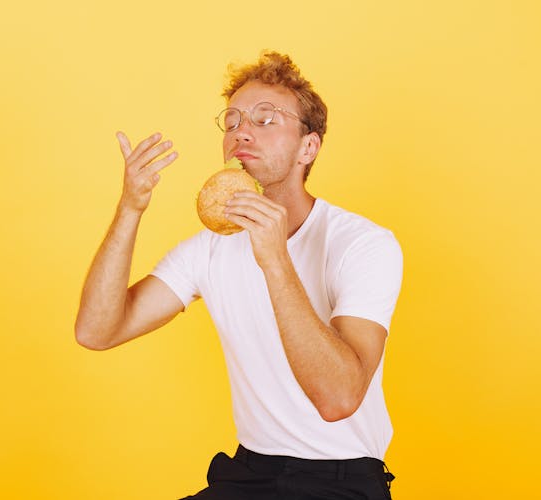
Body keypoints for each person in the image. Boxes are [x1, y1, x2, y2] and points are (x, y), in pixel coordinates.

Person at [74, 51, 403, 500]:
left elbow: (339, 399)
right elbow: (97, 330)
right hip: (249, 473)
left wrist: (275, 259)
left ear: (309, 147)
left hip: (341, 480)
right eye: (231, 122)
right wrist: (130, 208)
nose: (240, 133)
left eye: (265, 120)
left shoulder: (364, 244)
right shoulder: (208, 249)